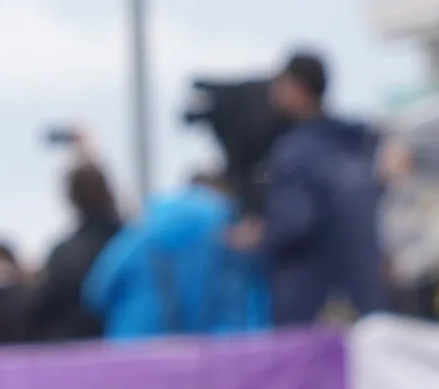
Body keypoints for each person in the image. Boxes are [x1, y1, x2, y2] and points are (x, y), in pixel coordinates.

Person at [253, 51, 385, 326]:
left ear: (298, 89)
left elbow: (294, 223)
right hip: (366, 300)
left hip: (312, 306)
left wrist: (260, 236)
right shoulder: (361, 141)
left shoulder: (296, 152)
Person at [86, 174, 272, 339]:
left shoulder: (140, 234)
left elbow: (96, 291)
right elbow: (249, 307)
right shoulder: (226, 238)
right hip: (212, 357)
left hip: (136, 348)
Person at [24, 150, 125, 344]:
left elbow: (40, 308)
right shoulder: (130, 243)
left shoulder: (65, 254)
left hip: (74, 351)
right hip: (128, 346)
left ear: (71, 198)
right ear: (109, 192)